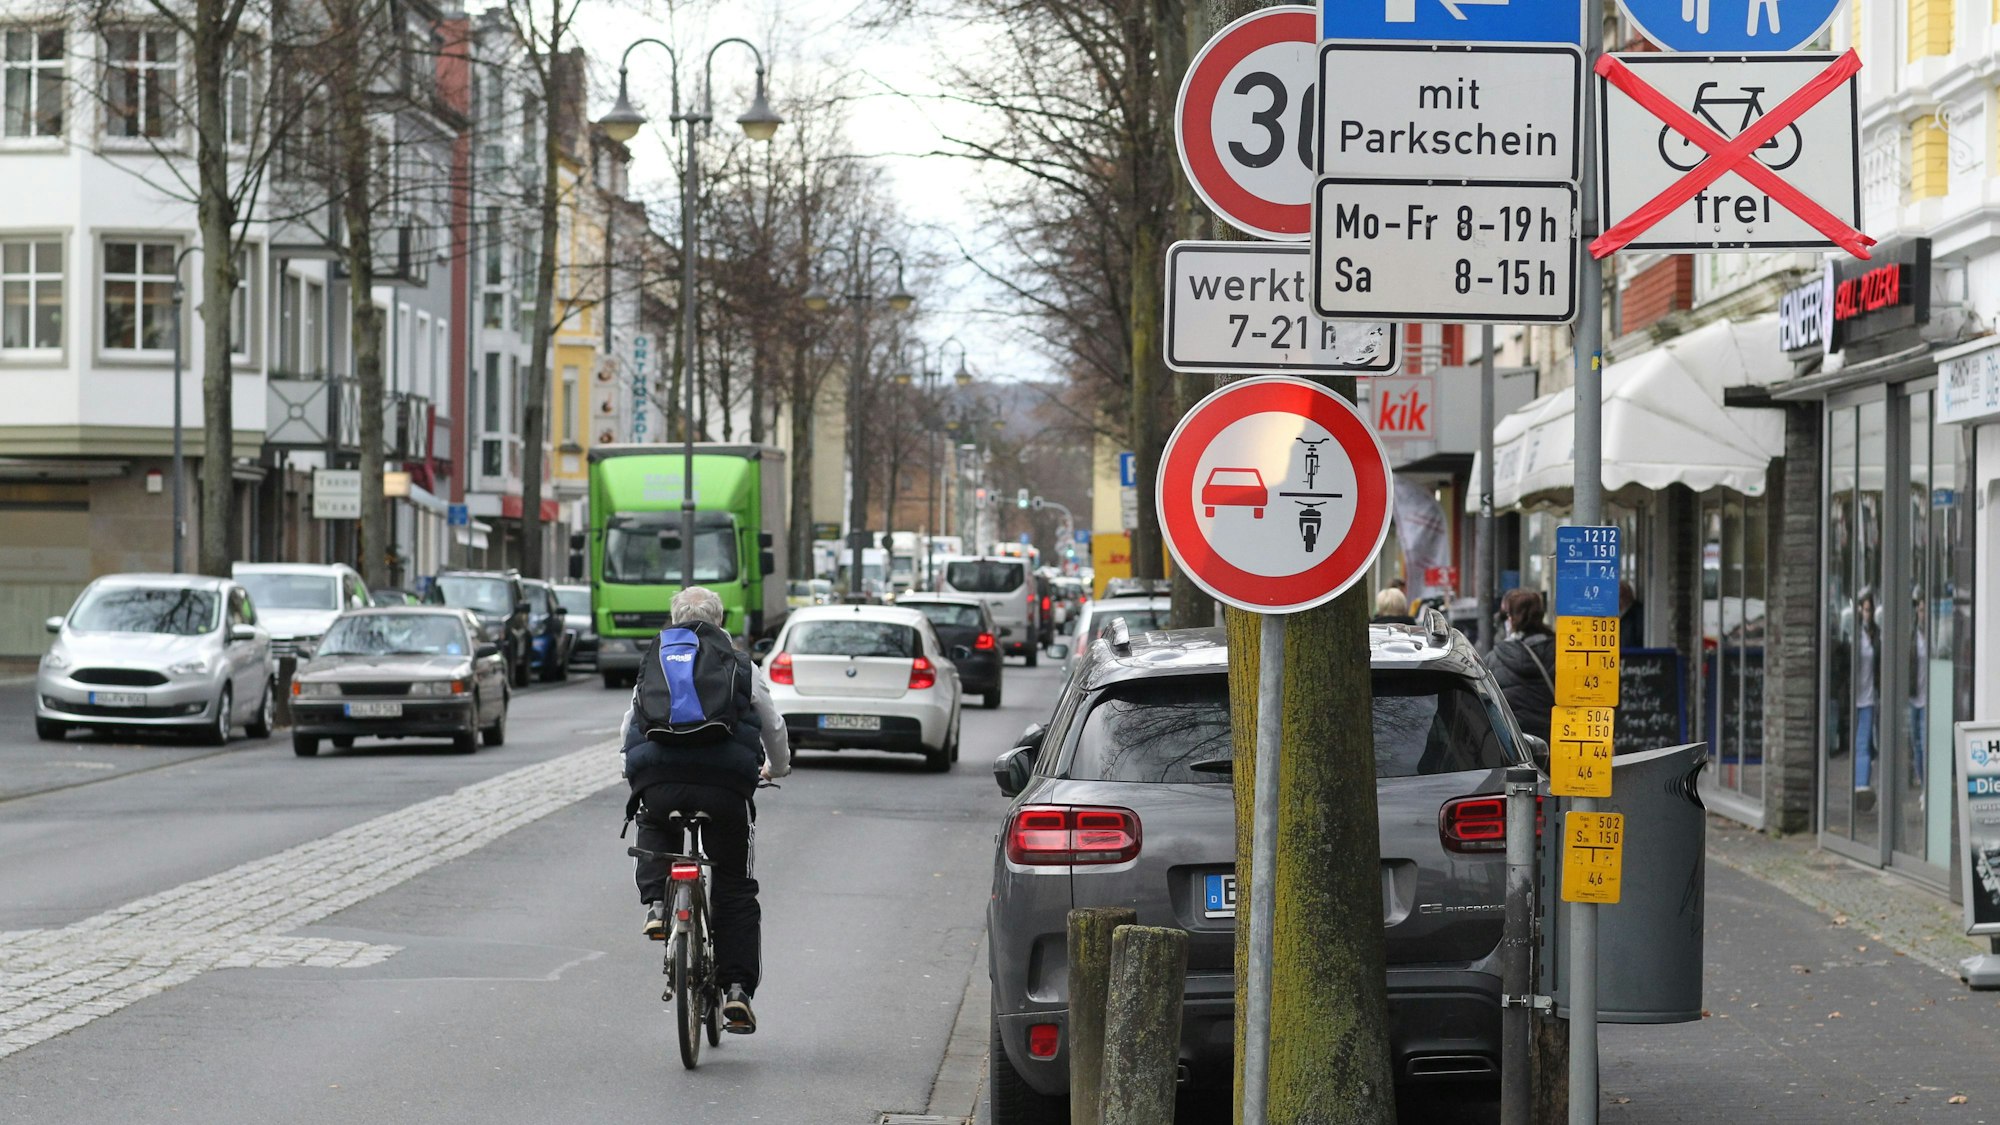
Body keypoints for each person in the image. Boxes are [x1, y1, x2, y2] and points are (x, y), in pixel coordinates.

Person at [621, 586, 791, 1034]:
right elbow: (772, 725)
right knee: (734, 886)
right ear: (720, 621)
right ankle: (736, 991)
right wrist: (778, 768)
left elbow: (631, 722)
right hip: (725, 788)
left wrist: (632, 770)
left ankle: (657, 904)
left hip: (660, 781)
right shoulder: (740, 663)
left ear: (674, 618)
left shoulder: (657, 657)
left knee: (653, 818)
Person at [1486, 588, 1557, 742]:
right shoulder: (1561, 653)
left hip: (1515, 746)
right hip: (1555, 741)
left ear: (1511, 619)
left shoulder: (1493, 660)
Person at [1853, 586, 1879, 798]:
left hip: (1868, 697)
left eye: (1869, 610)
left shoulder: (1874, 635)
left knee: (1863, 742)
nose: (1866, 614)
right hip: (1853, 696)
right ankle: (1858, 783)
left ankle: (1861, 785)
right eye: (1864, 609)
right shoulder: (1852, 634)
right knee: (1857, 742)